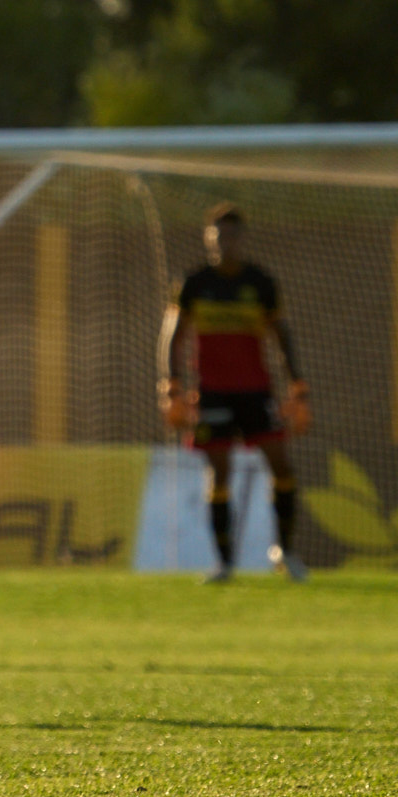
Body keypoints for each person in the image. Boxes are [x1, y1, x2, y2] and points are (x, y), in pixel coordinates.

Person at [159, 204, 311, 583]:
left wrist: (297, 384)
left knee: (282, 466)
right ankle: (224, 563)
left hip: (257, 391)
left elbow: (282, 334)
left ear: (241, 238)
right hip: (213, 394)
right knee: (219, 474)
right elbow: (174, 335)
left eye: (230, 236)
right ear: (209, 239)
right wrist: (172, 386)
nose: (224, 243)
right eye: (217, 236)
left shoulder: (260, 282)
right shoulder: (194, 282)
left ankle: (285, 552)